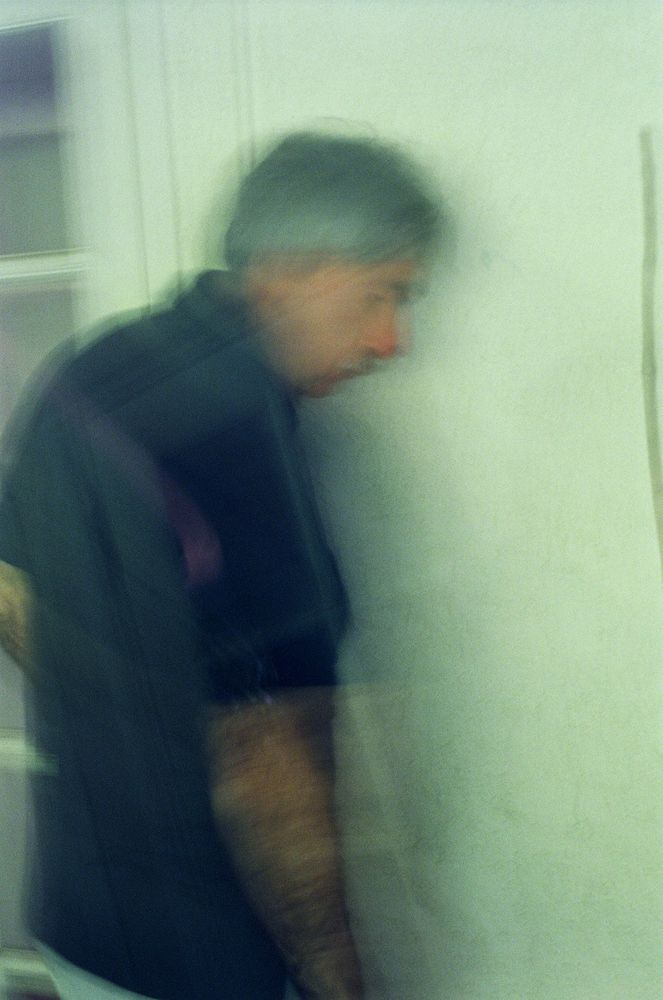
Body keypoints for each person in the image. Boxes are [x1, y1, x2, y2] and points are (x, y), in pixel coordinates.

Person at [0, 131, 441, 1000]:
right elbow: (267, 755)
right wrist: (336, 979)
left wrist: (118, 716)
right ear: (288, 268)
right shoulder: (237, 433)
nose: (390, 339)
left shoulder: (90, 369)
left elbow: (9, 584)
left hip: (79, 926)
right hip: (203, 960)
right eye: (381, 295)